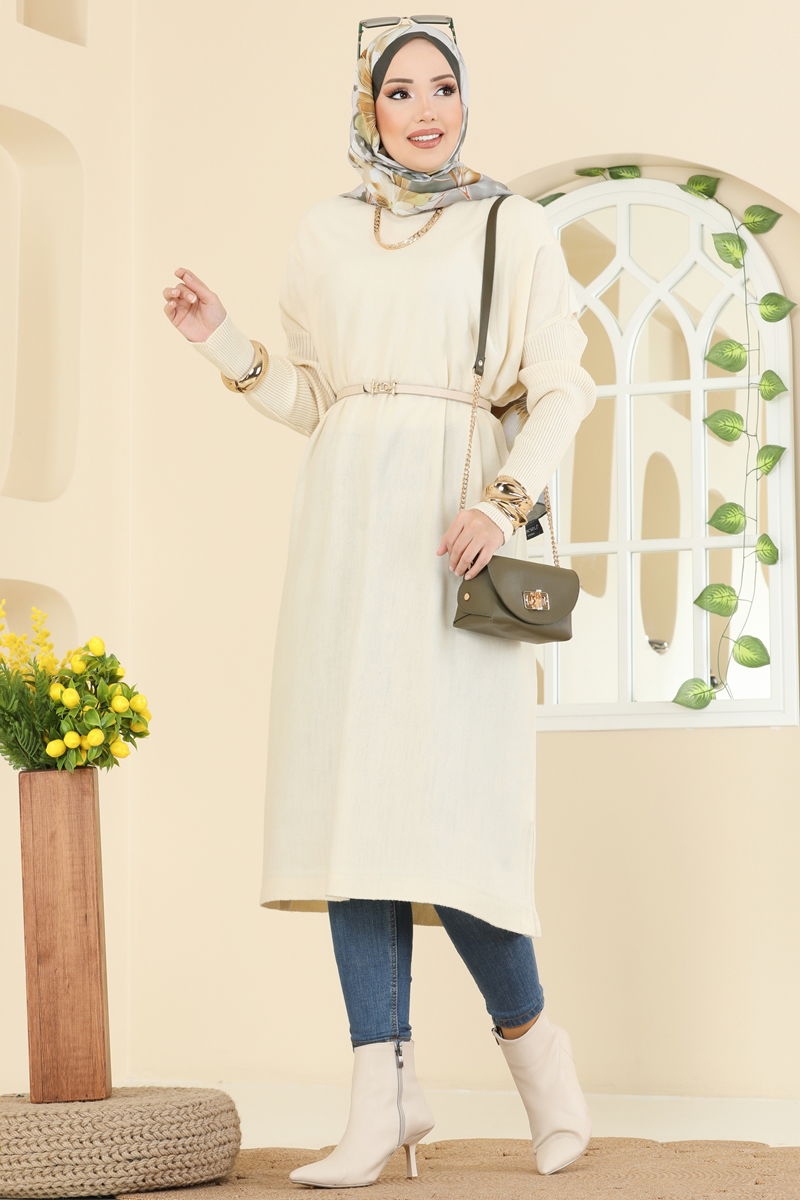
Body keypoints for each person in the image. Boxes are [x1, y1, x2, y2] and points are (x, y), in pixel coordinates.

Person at [163, 16, 597, 1187]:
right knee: (353, 811)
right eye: (398, 90)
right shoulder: (323, 232)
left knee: (453, 820)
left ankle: (538, 1059)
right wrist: (224, 344)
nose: (423, 109)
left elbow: (562, 388)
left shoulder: (510, 225)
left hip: (454, 536)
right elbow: (316, 400)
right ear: (367, 106)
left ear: (464, 98)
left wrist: (502, 500)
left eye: (440, 86)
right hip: (344, 537)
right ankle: (383, 1094)